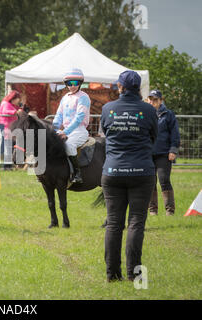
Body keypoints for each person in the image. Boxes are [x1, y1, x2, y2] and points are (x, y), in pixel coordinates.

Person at [100, 70, 158, 282]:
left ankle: (112, 275)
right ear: (139, 88)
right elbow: (154, 136)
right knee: (136, 223)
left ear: (120, 87)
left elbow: (105, 134)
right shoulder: (149, 110)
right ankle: (136, 276)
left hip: (113, 171)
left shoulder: (108, 108)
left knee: (114, 224)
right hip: (142, 172)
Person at [52, 68, 91, 183]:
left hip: (79, 130)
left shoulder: (83, 97)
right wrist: (53, 129)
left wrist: (65, 132)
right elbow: (59, 116)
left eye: (75, 83)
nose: (72, 86)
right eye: (69, 83)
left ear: (80, 84)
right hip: (66, 130)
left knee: (69, 145)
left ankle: (77, 173)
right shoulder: (64, 98)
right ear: (66, 84)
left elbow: (79, 118)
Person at [147, 90, 180, 216]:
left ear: (161, 100)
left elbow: (175, 134)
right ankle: (152, 210)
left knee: (164, 180)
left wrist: (173, 150)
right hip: (148, 154)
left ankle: (169, 210)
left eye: (155, 99)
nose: (152, 102)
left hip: (164, 154)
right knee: (150, 181)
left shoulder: (168, 114)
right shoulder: (144, 114)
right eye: (150, 99)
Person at [0, 90, 24, 170]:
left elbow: (20, 112)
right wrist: (15, 112)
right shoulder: (5, 104)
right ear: (14, 98)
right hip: (7, 129)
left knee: (11, 148)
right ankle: (6, 166)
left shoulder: (11, 104)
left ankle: (10, 166)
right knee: (8, 148)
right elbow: (5, 111)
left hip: (12, 129)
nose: (19, 100)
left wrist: (20, 107)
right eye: (18, 99)